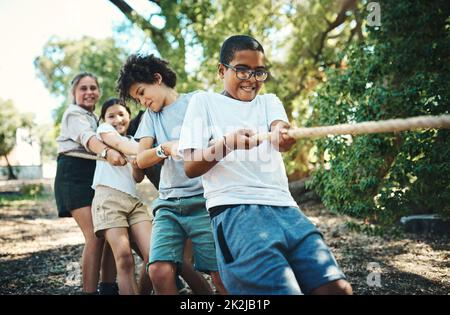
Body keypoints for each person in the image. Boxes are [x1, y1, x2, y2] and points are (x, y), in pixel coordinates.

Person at [178, 35, 353, 295]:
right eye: (242, 70)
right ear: (221, 70)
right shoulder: (203, 103)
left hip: (287, 210)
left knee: (337, 289)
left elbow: (281, 134)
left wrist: (284, 134)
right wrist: (228, 144)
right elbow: (191, 166)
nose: (251, 79)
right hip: (236, 213)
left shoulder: (269, 101)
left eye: (259, 72)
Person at [116, 54, 226, 295]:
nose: (142, 101)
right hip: (168, 205)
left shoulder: (197, 101)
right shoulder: (151, 117)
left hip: (204, 202)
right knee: (158, 271)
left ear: (158, 79)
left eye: (142, 93)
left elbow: (222, 140)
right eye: (137, 98)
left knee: (220, 274)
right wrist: (164, 148)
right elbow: (142, 158)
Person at [54, 73, 126, 294]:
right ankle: (89, 291)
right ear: (74, 93)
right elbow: (89, 139)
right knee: (94, 235)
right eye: (83, 88)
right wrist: (106, 152)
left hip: (93, 176)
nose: (89, 92)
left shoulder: (96, 118)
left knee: (106, 232)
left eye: (93, 88)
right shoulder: (74, 114)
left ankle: (107, 287)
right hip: (73, 175)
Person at [91, 98, 153, 294]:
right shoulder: (103, 131)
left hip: (133, 202)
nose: (117, 119)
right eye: (111, 115)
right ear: (104, 119)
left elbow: (137, 178)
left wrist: (137, 165)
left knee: (154, 256)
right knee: (124, 259)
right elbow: (116, 142)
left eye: (121, 114)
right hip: (108, 200)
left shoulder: (135, 142)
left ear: (129, 117)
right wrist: (150, 151)